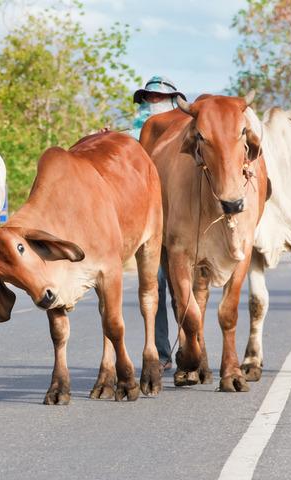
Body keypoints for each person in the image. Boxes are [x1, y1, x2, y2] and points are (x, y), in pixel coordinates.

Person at [130, 75, 187, 370]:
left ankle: (189, 347)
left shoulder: (186, 136)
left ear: (173, 101)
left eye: (159, 98)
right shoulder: (132, 137)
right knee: (155, 286)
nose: (152, 102)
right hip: (151, 226)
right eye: (148, 98)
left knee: (183, 287)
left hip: (181, 224)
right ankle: (163, 353)